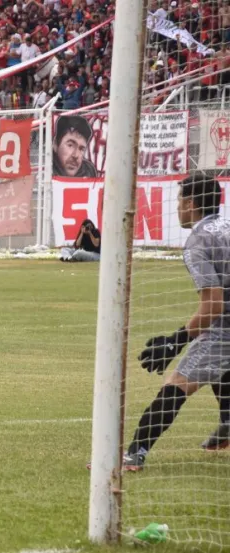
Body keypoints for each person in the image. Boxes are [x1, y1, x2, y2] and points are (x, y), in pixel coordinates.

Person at [121, 174, 230, 470]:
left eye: (180, 199)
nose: (178, 207)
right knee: (217, 366)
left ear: (191, 203)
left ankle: (134, 453)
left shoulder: (198, 240)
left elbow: (213, 306)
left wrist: (174, 341)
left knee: (178, 383)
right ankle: (228, 425)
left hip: (226, 330)